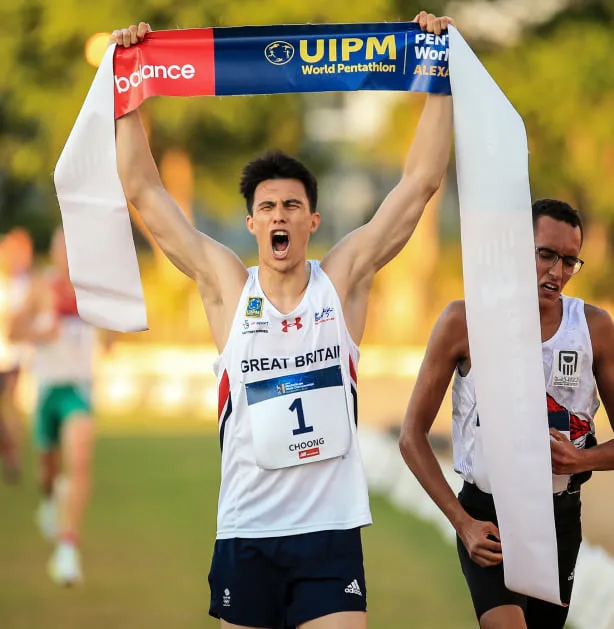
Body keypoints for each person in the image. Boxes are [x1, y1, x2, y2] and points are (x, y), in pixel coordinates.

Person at [110, 10, 453, 628]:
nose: (280, 215)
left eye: (293, 205)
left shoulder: (341, 282)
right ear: (251, 224)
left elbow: (421, 182)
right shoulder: (225, 289)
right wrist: (130, 87)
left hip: (330, 537)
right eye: (267, 206)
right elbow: (143, 192)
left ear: (311, 222)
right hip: (248, 534)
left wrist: (440, 67)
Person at [399, 198, 614, 629]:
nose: (556, 271)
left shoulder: (593, 327)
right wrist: (463, 524)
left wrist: (581, 460)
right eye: (546, 254)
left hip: (558, 518)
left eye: (570, 261)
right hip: (486, 515)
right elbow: (411, 437)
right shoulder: (464, 320)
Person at [10, 228, 97, 587]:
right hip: (46, 391)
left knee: (78, 459)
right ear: (54, 252)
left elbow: (111, 333)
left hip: (78, 390)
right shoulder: (40, 287)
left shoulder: (93, 290)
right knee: (47, 471)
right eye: (64, 248)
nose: (69, 255)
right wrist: (40, 335)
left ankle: (67, 549)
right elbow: (13, 330)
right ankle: (48, 499)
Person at [0, 227, 34, 483]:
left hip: (14, 358)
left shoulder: (25, 286)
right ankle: (9, 451)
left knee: (10, 407)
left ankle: (13, 457)